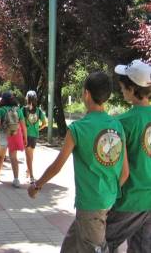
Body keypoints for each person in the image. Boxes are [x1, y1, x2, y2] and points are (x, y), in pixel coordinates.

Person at [28, 72, 128, 252]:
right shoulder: (117, 126)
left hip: (90, 206)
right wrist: (109, 194)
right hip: (107, 201)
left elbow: (57, 166)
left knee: (94, 248)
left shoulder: (78, 128)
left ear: (87, 94)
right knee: (69, 247)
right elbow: (125, 173)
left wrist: (37, 185)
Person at [105, 59, 151, 253]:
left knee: (101, 242)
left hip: (130, 199)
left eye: (123, 87)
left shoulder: (122, 122)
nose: (121, 90)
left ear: (132, 90)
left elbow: (112, 164)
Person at [0, 92, 27, 188]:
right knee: (13, 157)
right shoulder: (18, 110)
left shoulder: (0, 110)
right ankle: (16, 179)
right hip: (14, 134)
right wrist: (25, 138)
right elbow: (23, 125)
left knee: (1, 156)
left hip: (3, 135)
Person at [21, 90, 47, 183]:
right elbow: (44, 123)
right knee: (30, 155)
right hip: (35, 135)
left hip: (26, 135)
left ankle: (31, 176)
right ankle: (28, 170)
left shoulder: (24, 109)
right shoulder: (39, 110)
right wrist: (38, 129)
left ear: (27, 98)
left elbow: (21, 123)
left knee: (28, 156)